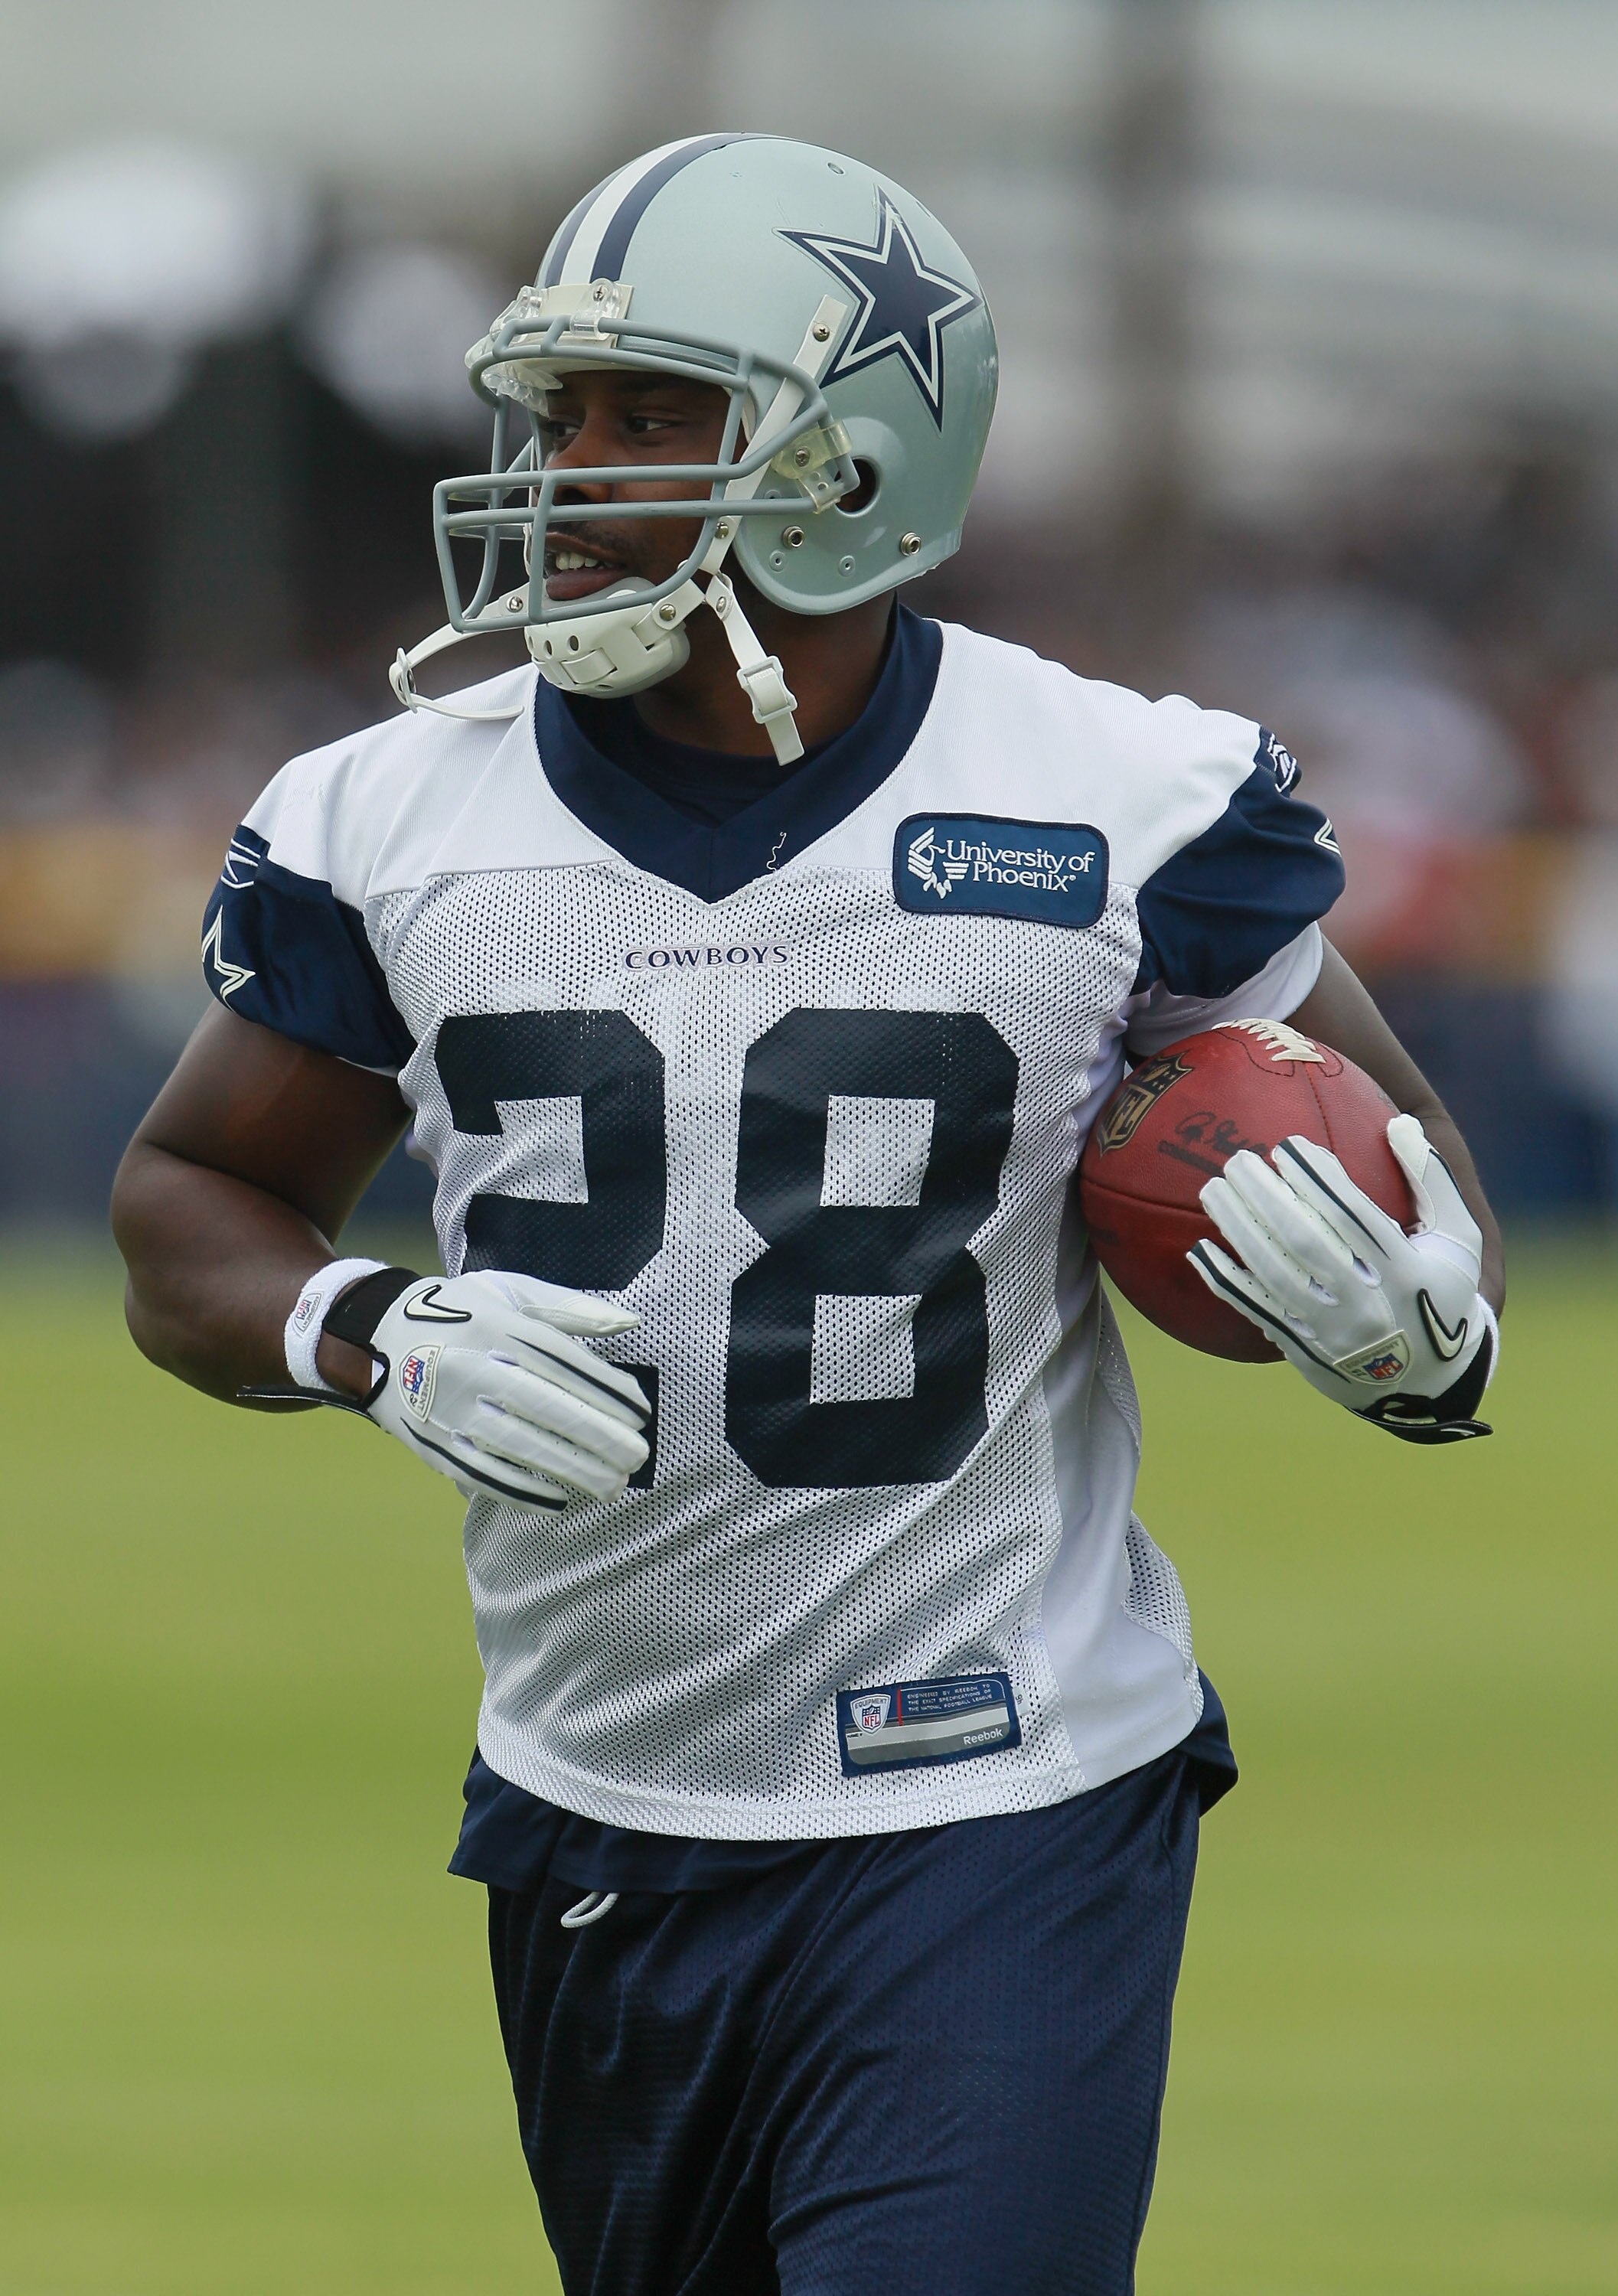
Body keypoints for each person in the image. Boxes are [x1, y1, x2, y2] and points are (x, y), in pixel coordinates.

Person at [112, 135, 1505, 2296]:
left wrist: (1422, 1327)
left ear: (852, 458)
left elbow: (1409, 1190)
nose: (567, 469)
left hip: (1010, 1797)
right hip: (599, 1793)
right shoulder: (384, 817)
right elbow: (196, 1196)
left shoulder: (1117, 794)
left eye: (646, 414)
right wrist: (364, 1332)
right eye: (555, 411)